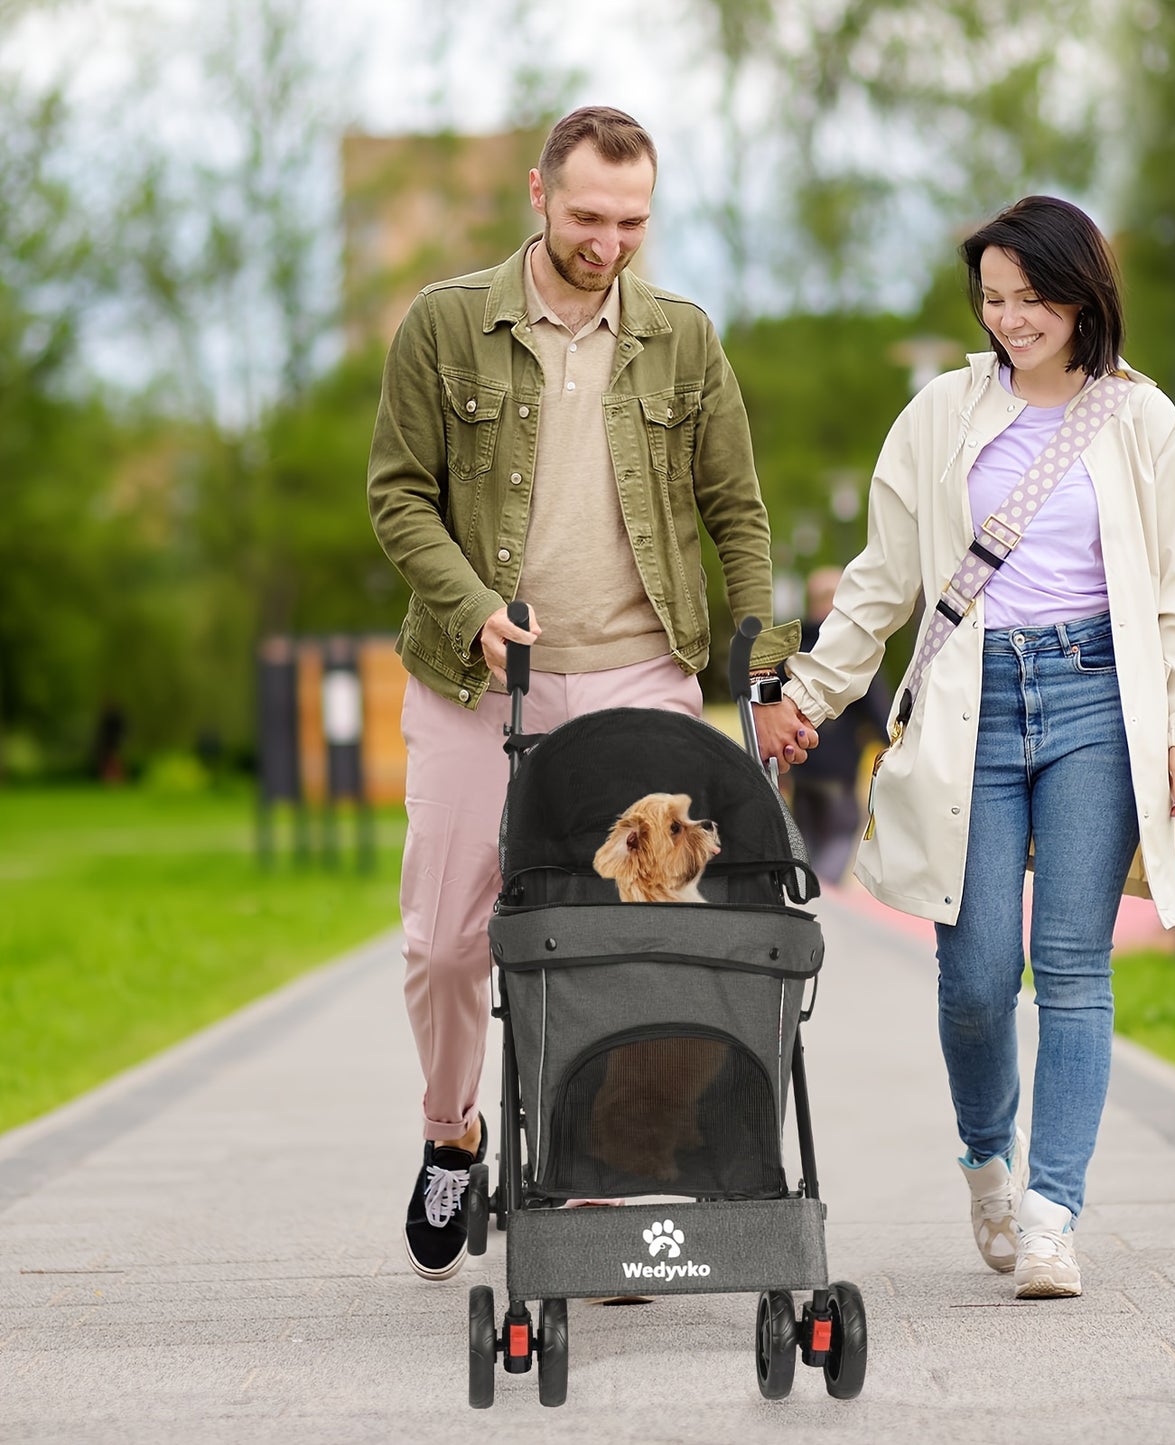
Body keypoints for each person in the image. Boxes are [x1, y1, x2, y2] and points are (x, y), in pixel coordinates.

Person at [367, 106, 818, 1281]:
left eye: (631, 222)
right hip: (478, 677)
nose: (607, 243)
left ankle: (604, 1157)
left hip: (640, 670)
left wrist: (758, 667)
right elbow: (398, 495)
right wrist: (474, 609)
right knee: (448, 942)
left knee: (642, 941)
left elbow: (738, 513)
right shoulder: (445, 324)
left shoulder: (682, 339)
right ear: (536, 193)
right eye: (585, 217)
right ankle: (451, 1133)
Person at [781, 196, 1175, 1298]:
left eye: (1033, 297)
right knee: (975, 974)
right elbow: (881, 578)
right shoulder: (938, 413)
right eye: (993, 297)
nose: (1012, 318)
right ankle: (987, 1155)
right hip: (973, 702)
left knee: (1071, 965)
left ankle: (1051, 1213)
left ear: (1084, 295)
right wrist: (808, 694)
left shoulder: (1139, 419)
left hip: (1092, 705)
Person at [783, 567, 891, 885]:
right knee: (838, 841)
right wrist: (894, 744)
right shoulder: (850, 650)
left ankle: (810, 901)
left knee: (807, 848)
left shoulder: (791, 647)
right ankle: (823, 904)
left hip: (800, 770)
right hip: (839, 773)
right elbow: (876, 708)